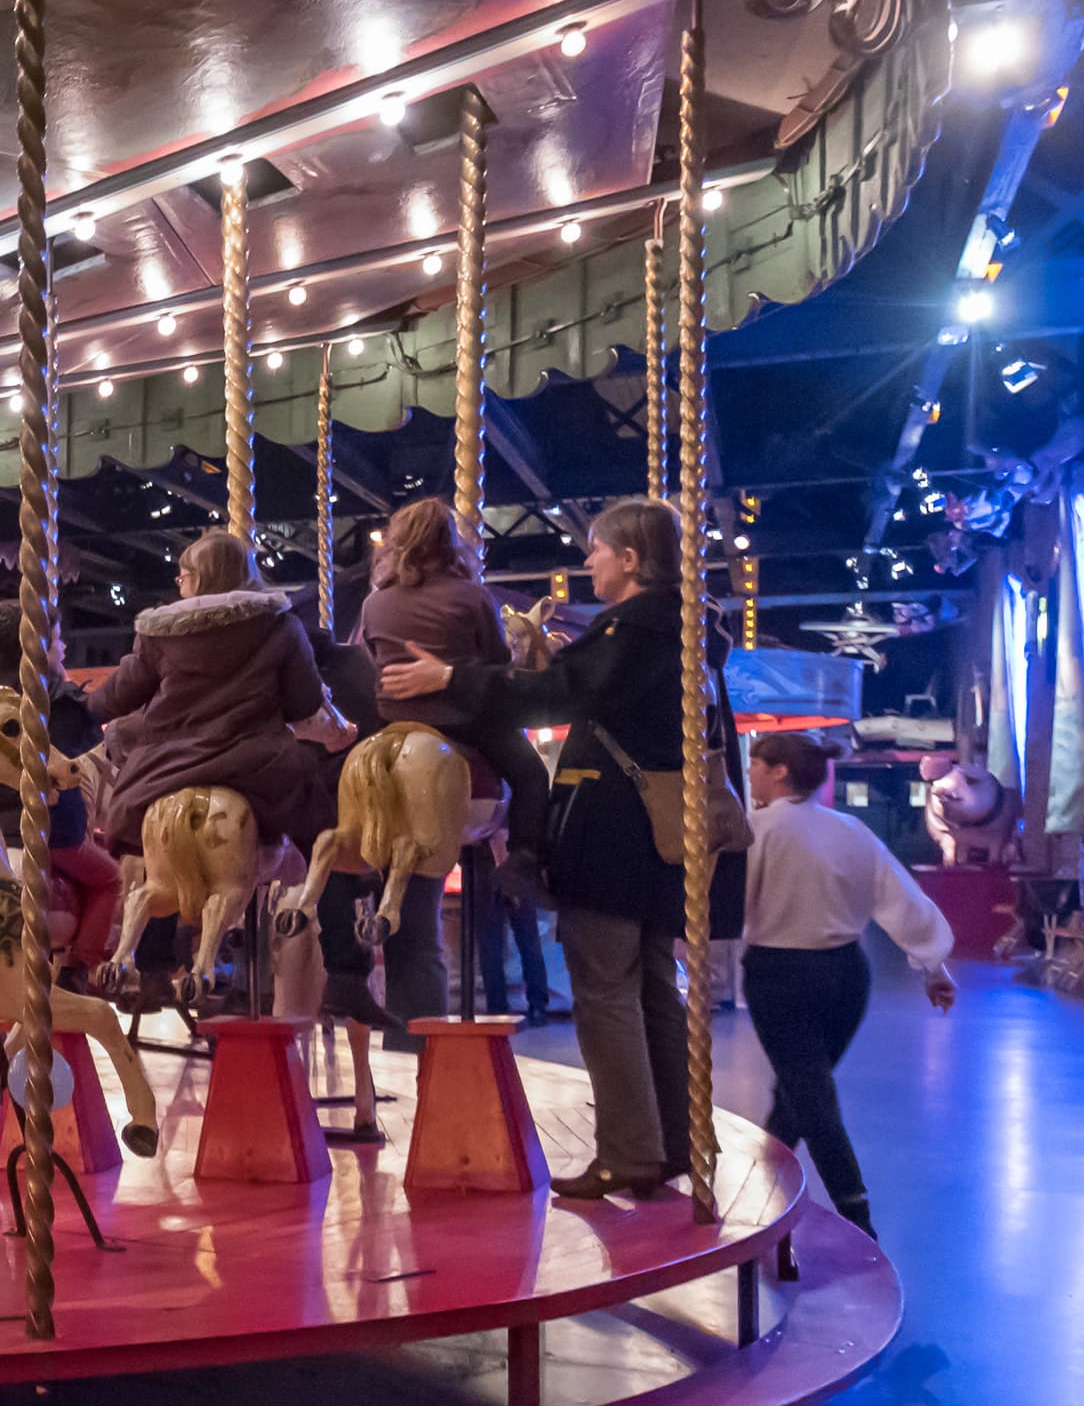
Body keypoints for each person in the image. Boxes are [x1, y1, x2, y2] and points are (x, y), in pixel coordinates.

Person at [379, 497, 736, 1200]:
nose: (588, 560)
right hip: (657, 842)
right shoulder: (679, 630)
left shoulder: (637, 628)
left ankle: (629, 1149)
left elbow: (557, 695)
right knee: (654, 992)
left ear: (631, 560)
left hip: (615, 838)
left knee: (606, 994)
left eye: (598, 550)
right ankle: (669, 1138)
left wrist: (450, 677)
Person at [341, 498, 556, 1026]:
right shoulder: (470, 595)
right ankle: (523, 860)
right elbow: (498, 665)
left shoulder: (375, 603)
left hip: (392, 729)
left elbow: (370, 662)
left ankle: (358, 867)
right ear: (449, 542)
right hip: (461, 723)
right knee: (531, 774)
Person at [743, 731, 956, 1238]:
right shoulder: (851, 830)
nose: (748, 773)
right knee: (798, 1090)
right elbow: (901, 896)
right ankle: (757, 1192)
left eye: (754, 764)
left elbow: (725, 904)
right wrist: (933, 964)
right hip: (846, 976)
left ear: (778, 771)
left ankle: (857, 1217)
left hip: (780, 975)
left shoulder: (756, 830)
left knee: (811, 1097)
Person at [92, 530, 346, 859]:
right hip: (258, 767)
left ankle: (151, 906)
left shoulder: (159, 633)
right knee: (314, 827)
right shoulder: (281, 625)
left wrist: (87, 706)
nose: (179, 584)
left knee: (131, 839)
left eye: (182, 576)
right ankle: (317, 894)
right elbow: (304, 702)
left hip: (168, 766)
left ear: (199, 578)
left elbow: (119, 695)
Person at [0, 604, 120, 967]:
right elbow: (81, 754)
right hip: (50, 832)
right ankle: (80, 966)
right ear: (38, 646)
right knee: (111, 880)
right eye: (57, 641)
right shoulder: (57, 702)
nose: (64, 650)